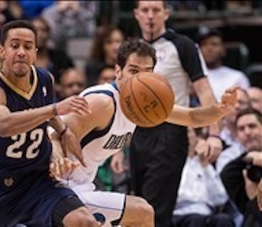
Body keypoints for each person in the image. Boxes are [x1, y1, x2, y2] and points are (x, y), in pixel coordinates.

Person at [49, 38, 238, 227]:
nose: (139, 79)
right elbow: (55, 133)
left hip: (81, 188)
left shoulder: (141, 104)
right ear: (118, 72)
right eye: (133, 71)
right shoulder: (102, 103)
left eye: (147, 72)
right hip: (57, 189)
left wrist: (220, 109)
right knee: (142, 211)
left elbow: (192, 117)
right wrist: (57, 159)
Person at [0, 20, 99, 227]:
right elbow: (4, 125)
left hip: (37, 183)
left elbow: (45, 112)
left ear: (35, 53)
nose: (21, 52)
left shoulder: (45, 79)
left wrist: (64, 130)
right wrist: (56, 109)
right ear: (2, 51)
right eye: (15, 45)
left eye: (28, 46)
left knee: (83, 221)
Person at [131, 2, 224, 226]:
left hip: (170, 130)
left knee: (156, 208)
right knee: (137, 205)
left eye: (156, 10)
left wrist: (213, 133)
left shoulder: (182, 45)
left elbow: (203, 89)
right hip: (135, 131)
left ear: (166, 14)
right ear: (136, 15)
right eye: (145, 10)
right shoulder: (132, 47)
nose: (150, 16)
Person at [172, 127, 234, 227]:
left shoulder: (205, 163)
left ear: (198, 137)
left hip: (206, 213)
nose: (184, 136)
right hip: (179, 214)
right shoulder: (170, 163)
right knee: (195, 220)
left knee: (223, 220)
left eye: (187, 132)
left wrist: (205, 165)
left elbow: (220, 198)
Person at [221, 108, 262, 226]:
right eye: (241, 129)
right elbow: (227, 173)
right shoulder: (241, 170)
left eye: (252, 126)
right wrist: (249, 157)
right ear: (237, 136)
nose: (247, 132)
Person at [197, 27, 250, 102]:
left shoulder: (237, 77)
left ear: (223, 50)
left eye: (214, 44)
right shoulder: (190, 76)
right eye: (204, 44)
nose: (209, 48)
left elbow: (243, 103)